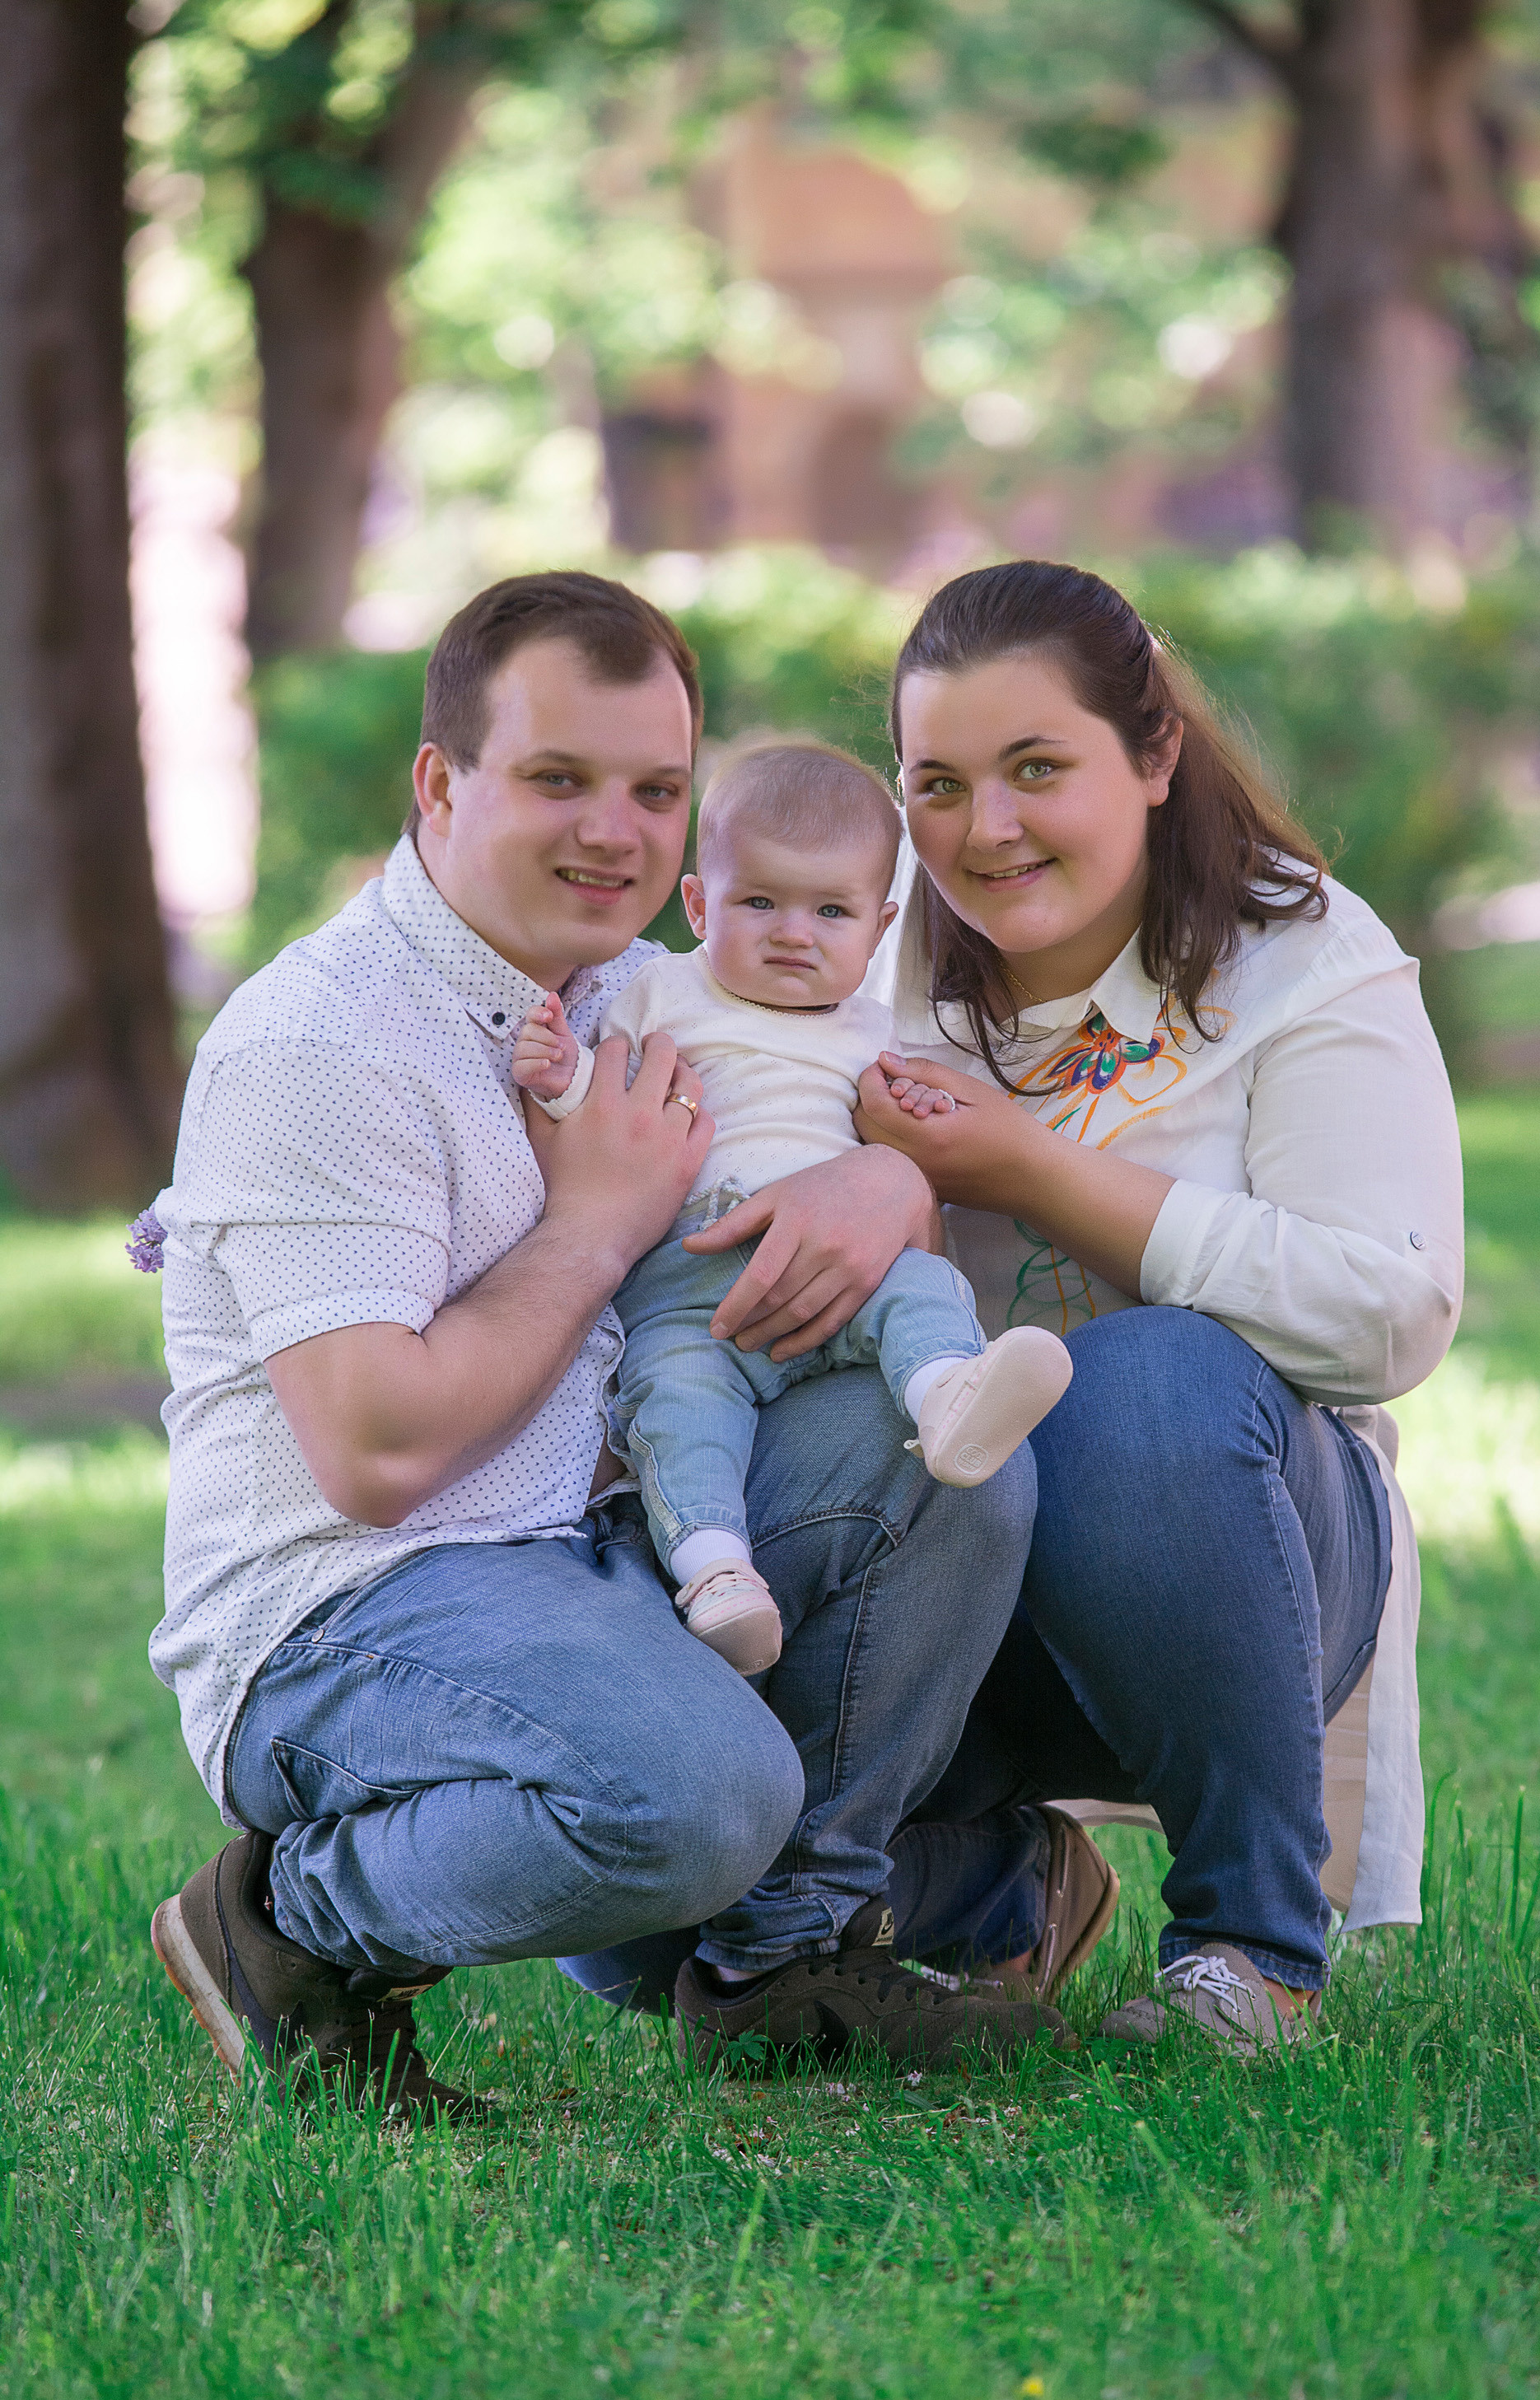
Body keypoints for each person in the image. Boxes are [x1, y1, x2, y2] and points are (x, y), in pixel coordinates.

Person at [142, 571, 1071, 2118]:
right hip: (347, 1607)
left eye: (655, 791)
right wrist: (592, 1223)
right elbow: (376, 1454)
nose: (615, 835)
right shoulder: (322, 1046)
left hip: (598, 1541)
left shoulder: (642, 989)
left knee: (948, 1455)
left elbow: (830, 1128)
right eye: (559, 780)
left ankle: (784, 1965)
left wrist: (882, 1176)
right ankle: (286, 1926)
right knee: (702, 1795)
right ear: (442, 785)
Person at [845, 558, 1465, 2055]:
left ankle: (1254, 1951)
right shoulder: (866, 978)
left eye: (1037, 769)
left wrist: (1033, 1171)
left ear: (1156, 754)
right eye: (939, 784)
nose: (985, 830)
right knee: (652, 1930)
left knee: (1133, 1380)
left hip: (1241, 1554)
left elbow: (1393, 1316)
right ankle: (1004, 1895)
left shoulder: (1305, 958)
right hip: (961, 1588)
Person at [511, 735, 1072, 1675]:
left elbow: (898, 1145)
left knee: (922, 1284)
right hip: (693, 1282)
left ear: (877, 924)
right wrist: (563, 1076)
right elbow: (601, 1110)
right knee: (675, 1403)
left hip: (835, 1279)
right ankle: (716, 1571)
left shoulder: (870, 1029)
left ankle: (947, 1397)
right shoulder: (665, 991)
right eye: (758, 901)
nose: (792, 932)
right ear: (699, 903)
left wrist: (918, 1117)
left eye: (830, 911)